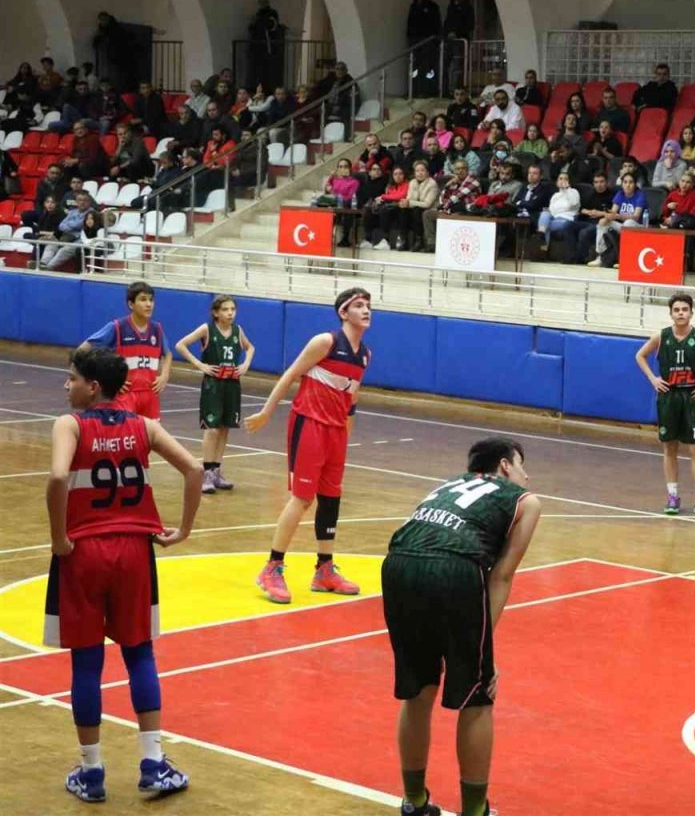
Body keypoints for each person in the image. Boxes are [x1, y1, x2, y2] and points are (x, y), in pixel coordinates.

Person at [46, 347, 202, 804]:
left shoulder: (69, 424)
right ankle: (153, 764)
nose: (66, 385)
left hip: (84, 552)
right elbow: (194, 469)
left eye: (72, 378)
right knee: (139, 654)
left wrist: (59, 538)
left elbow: (58, 478)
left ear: (93, 386)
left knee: (87, 664)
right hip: (135, 551)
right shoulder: (144, 426)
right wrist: (184, 530)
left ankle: (92, 773)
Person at [383, 437, 541, 816]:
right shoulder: (526, 500)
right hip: (454, 567)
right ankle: (474, 810)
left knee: (418, 691)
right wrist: (482, 651)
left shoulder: (446, 485)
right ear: (505, 466)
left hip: (398, 564)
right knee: (477, 696)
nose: (525, 474)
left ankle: (414, 801)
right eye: (521, 465)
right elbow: (502, 575)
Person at [245, 288, 372, 604]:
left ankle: (324, 570)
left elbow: (351, 398)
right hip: (309, 424)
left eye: (368, 305)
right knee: (302, 498)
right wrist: (266, 412)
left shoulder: (365, 354)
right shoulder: (325, 342)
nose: (366, 310)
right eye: (359, 305)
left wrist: (347, 434)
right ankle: (272, 568)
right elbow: (290, 374)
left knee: (331, 499)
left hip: (336, 432)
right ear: (343, 313)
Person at [635, 295, 695, 517]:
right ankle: (672, 495)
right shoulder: (661, 336)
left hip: (691, 396)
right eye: (676, 309)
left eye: (685, 309)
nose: (680, 313)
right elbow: (640, 355)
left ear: (691, 313)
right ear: (671, 313)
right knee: (670, 447)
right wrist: (653, 378)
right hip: (669, 396)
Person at [174, 295, 256, 494]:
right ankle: (206, 472)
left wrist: (245, 364)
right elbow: (180, 345)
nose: (230, 313)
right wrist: (200, 365)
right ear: (216, 312)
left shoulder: (238, 331)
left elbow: (250, 347)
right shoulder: (207, 329)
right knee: (211, 429)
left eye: (232, 309)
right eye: (225, 309)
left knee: (224, 428)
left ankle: (217, 471)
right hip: (213, 384)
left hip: (232, 384)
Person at [78, 282, 171, 419]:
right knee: (127, 437)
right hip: (125, 395)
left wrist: (165, 376)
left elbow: (167, 354)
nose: (149, 304)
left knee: (151, 438)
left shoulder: (157, 329)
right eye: (143, 299)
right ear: (131, 304)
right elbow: (83, 349)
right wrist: (105, 378)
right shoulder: (117, 327)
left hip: (150, 395)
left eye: (151, 300)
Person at [588, 171, 647, 268]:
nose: (628, 185)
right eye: (625, 182)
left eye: (631, 182)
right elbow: (613, 212)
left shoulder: (640, 195)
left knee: (628, 223)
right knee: (602, 223)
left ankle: (625, 259)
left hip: (638, 227)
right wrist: (606, 218)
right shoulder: (620, 194)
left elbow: (636, 216)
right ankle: (600, 257)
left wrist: (618, 216)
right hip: (624, 227)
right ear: (622, 183)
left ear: (635, 184)